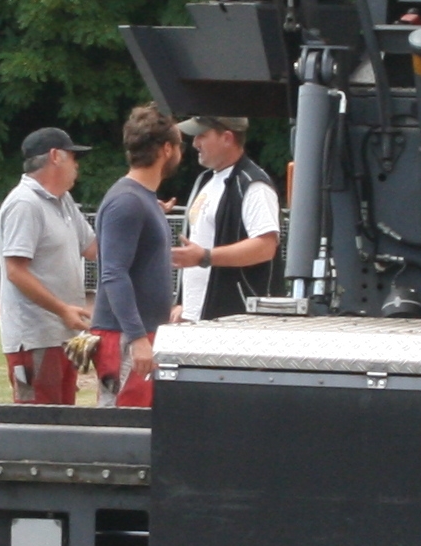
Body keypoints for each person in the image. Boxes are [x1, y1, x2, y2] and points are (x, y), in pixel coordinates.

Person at [88, 103, 205, 408]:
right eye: (179, 145)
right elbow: (113, 273)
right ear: (167, 149)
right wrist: (137, 337)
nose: (183, 152)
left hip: (139, 334)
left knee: (142, 431)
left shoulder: (140, 200)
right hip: (126, 337)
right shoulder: (128, 201)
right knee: (123, 431)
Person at [0, 127, 97, 404]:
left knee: (62, 425)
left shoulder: (63, 201)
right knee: (38, 427)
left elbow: (94, 249)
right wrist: (62, 309)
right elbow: (15, 271)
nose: (77, 165)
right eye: (73, 157)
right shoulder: (24, 204)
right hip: (34, 338)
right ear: (55, 156)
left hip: (60, 336)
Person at [178, 114, 284, 323]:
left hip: (235, 320)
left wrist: (205, 257)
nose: (195, 143)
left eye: (202, 135)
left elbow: (265, 247)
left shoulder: (254, 185)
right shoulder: (205, 179)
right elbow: (198, 244)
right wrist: (183, 302)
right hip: (196, 317)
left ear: (227, 138)